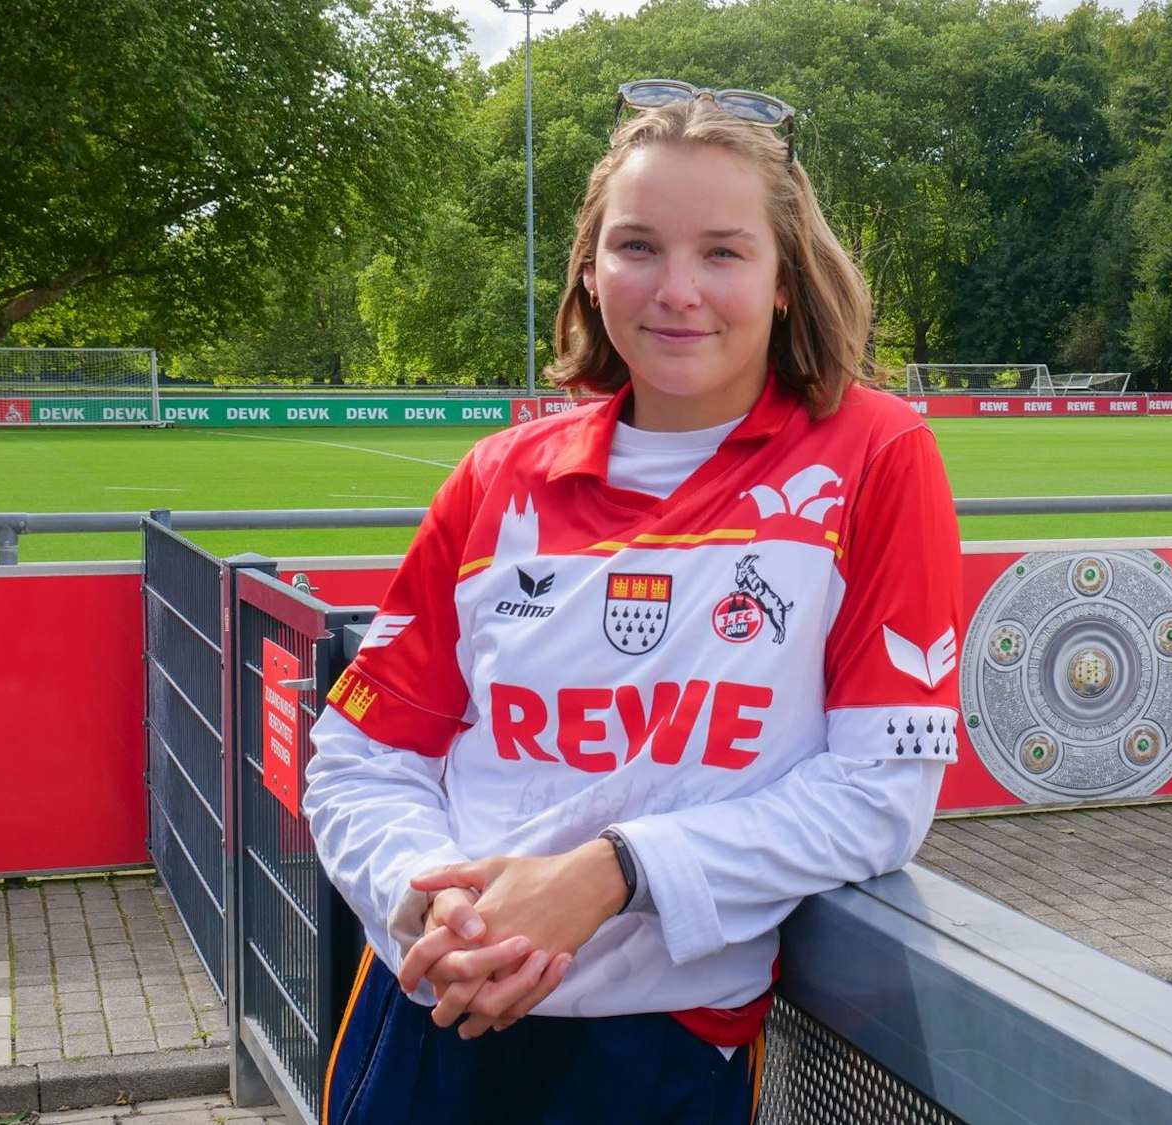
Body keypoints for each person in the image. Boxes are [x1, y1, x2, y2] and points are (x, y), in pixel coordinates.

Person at [303, 80, 964, 1125]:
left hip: (661, 1050)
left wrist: (614, 871)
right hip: (431, 1011)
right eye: (638, 247)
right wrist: (426, 895)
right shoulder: (497, 476)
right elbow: (361, 756)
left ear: (785, 280)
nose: (676, 290)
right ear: (590, 268)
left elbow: (880, 795)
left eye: (723, 252)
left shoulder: (874, 456)